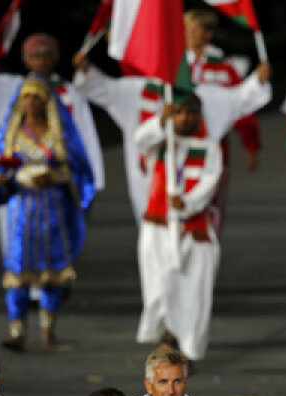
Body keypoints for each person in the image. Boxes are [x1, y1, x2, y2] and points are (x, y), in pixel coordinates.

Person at [0, 76, 94, 350]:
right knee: (17, 270)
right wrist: (3, 180)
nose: (31, 103)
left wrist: (54, 177)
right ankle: (16, 331)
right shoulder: (11, 136)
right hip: (22, 212)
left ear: (46, 101)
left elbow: (77, 171)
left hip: (53, 210)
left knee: (53, 270)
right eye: (26, 97)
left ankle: (48, 332)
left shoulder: (59, 135)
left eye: (36, 97)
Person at [71, 45, 270, 224]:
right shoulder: (138, 90)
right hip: (149, 181)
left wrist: (256, 81)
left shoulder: (199, 95)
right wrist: (87, 70)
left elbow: (237, 99)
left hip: (191, 184)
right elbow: (103, 89)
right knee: (154, 245)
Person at [0, 27, 105, 198]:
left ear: (55, 58)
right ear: (26, 61)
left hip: (58, 175)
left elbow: (85, 133)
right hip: (19, 172)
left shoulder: (69, 93)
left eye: (47, 55)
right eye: (35, 56)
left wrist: (92, 177)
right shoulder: (9, 88)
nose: (42, 60)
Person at [131, 93, 224, 360]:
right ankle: (168, 337)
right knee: (159, 290)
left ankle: (189, 351)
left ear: (199, 116)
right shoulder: (160, 142)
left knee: (192, 291)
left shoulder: (209, 147)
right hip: (157, 228)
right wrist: (161, 120)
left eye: (190, 113)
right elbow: (140, 140)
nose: (184, 118)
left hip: (192, 230)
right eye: (179, 112)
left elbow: (209, 183)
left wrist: (186, 202)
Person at [184, 7, 264, 231]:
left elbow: (240, 105)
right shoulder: (175, 62)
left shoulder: (222, 66)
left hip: (214, 149)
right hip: (180, 149)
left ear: (208, 33)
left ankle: (209, 254)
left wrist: (250, 145)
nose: (187, 34)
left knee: (212, 208)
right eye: (186, 29)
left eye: (194, 29)